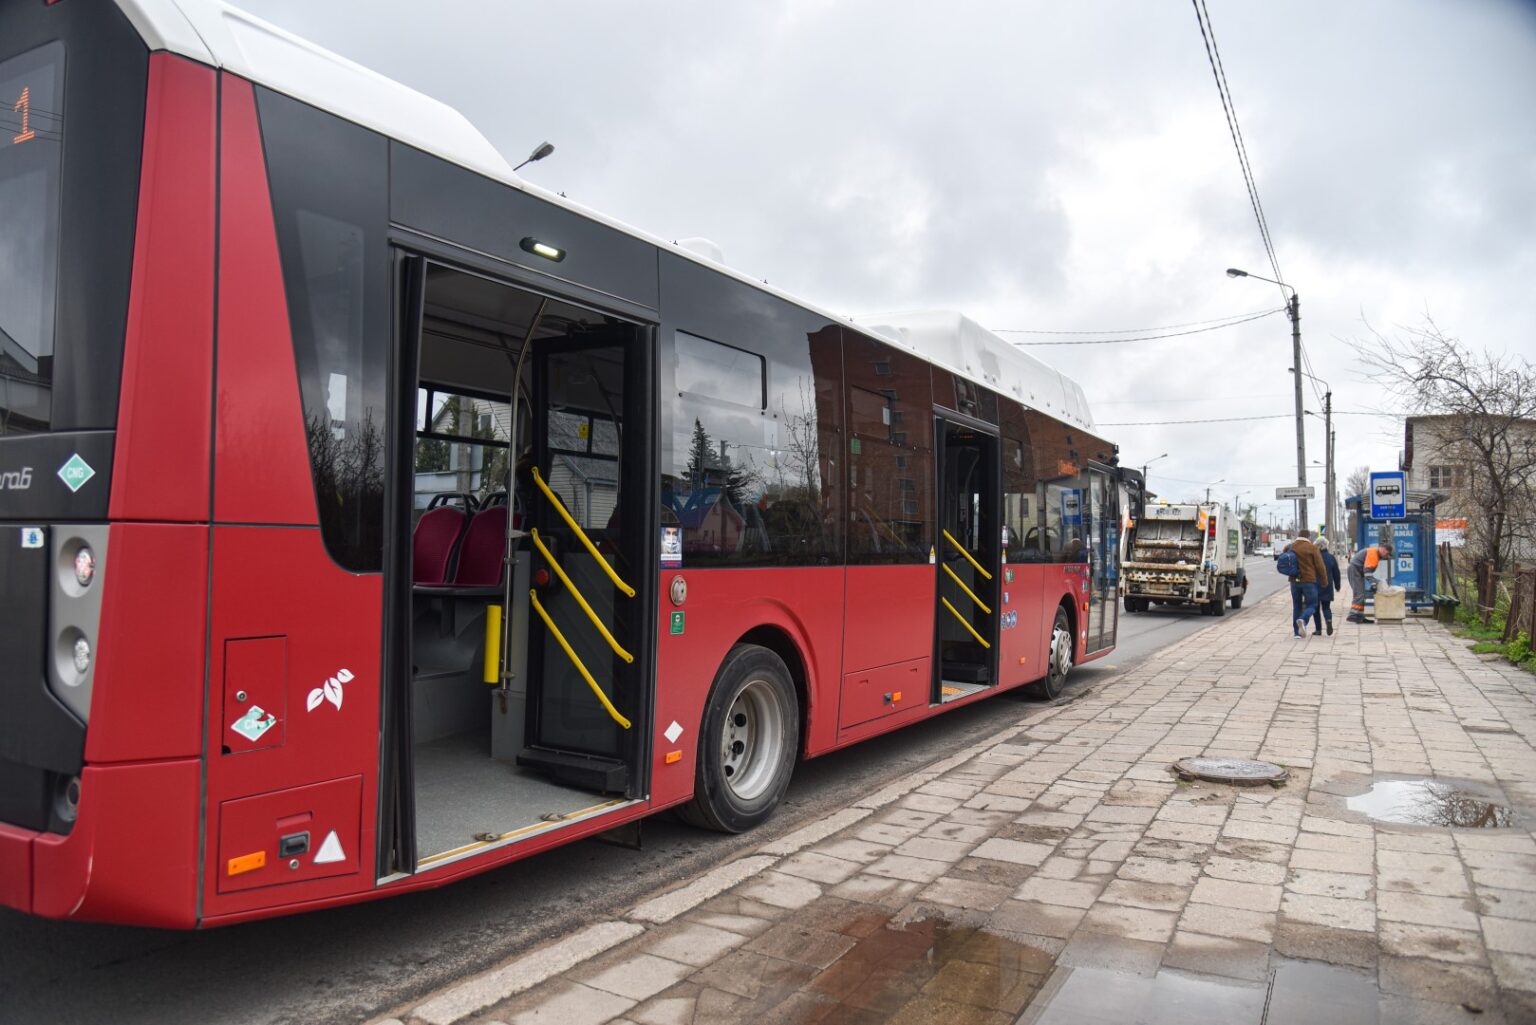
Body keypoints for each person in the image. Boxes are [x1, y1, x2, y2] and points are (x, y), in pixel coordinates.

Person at [1284, 529, 1329, 638]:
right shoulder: (1312, 548)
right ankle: (1303, 620)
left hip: (1294, 581)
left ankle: (1296, 633)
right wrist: (1324, 582)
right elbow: (1320, 566)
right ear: (1308, 537)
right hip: (1309, 581)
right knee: (1312, 604)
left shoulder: (1291, 547)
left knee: (1297, 606)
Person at [1347, 536, 1394, 623]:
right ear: (1383, 549)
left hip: (1356, 570)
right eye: (1387, 554)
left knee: (1361, 594)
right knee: (1359, 594)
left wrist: (1373, 582)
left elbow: (1367, 571)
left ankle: (1360, 617)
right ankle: (1353, 615)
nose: (1387, 556)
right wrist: (1373, 583)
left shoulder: (1375, 553)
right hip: (1355, 570)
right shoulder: (1374, 553)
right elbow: (1367, 571)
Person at [1313, 542, 1342, 636]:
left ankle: (1318, 630)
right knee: (1326, 607)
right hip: (1327, 585)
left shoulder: (1314, 557)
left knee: (1315, 609)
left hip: (1315, 586)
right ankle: (1328, 620)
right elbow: (1336, 573)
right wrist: (1337, 586)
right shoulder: (1331, 557)